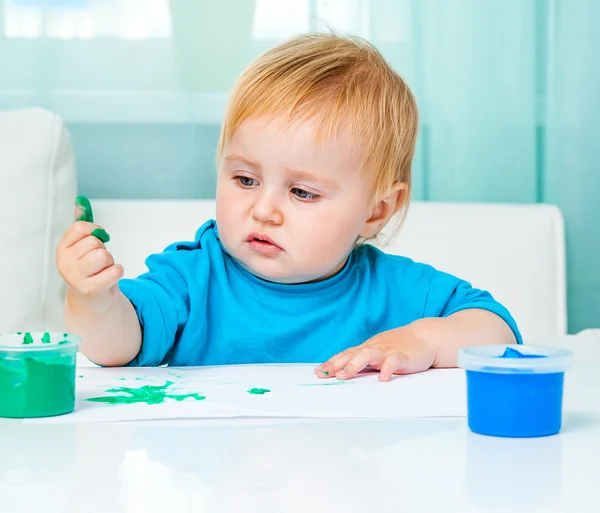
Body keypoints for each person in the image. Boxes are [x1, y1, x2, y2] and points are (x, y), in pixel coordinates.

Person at [56, 33, 521, 382]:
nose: (264, 210)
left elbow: (497, 332)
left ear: (377, 211)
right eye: (244, 179)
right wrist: (94, 301)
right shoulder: (192, 277)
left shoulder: (392, 287)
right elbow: (115, 346)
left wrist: (422, 340)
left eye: (302, 192)